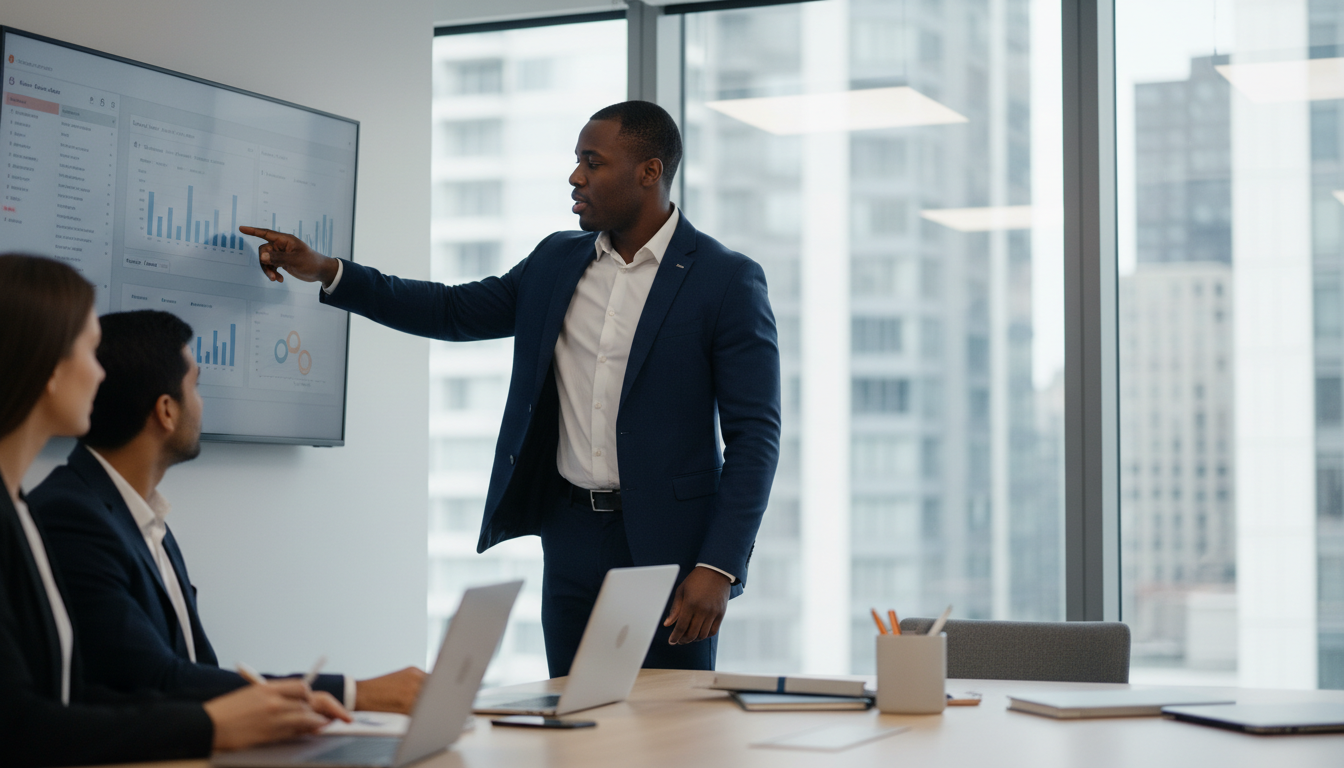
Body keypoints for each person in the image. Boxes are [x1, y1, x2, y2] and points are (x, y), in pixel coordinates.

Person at [240, 100, 781, 676]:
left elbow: (755, 438)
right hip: (570, 535)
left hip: (670, 553)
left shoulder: (726, 280)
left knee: (671, 736)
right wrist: (328, 270)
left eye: (592, 162)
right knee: (573, 724)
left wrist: (718, 567)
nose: (575, 177)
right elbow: (450, 309)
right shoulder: (555, 261)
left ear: (649, 171)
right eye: (577, 161)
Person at [0, 253, 349, 767]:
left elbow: (74, 696)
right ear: (50, 367)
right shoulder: (59, 513)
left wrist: (259, 712)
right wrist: (211, 725)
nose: (101, 375)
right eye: (90, 352)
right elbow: (22, 724)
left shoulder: (24, 509)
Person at [29, 310, 426, 712]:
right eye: (196, 386)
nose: (202, 404)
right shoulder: (72, 517)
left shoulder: (142, 518)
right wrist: (355, 694)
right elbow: (158, 679)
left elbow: (197, 668)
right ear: (166, 411)